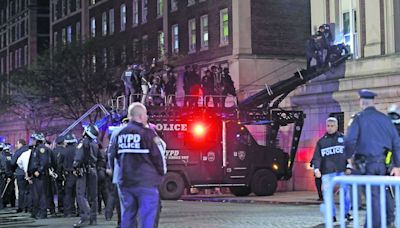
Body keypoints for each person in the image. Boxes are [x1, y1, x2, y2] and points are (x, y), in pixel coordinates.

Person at [345, 89, 400, 227]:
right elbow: (396, 143)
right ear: (372, 102)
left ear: (361, 102)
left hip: (365, 165)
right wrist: (397, 165)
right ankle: (387, 219)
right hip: (383, 164)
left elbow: (350, 141)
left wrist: (347, 159)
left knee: (373, 197)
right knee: (383, 191)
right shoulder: (385, 119)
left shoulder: (358, 118)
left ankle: (375, 225)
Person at [109, 102, 166, 228]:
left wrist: (117, 174)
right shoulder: (148, 134)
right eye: (145, 115)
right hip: (145, 182)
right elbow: (157, 157)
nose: (146, 117)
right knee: (147, 216)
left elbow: (113, 156)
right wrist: (161, 175)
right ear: (140, 116)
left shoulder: (119, 134)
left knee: (128, 215)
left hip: (125, 182)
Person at [312, 117, 353, 222]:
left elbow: (350, 154)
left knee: (345, 193)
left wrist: (349, 166)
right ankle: (331, 215)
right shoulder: (321, 142)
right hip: (327, 172)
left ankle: (346, 213)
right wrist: (316, 169)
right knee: (327, 194)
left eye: (332, 126)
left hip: (341, 171)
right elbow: (317, 157)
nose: (329, 128)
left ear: (336, 126)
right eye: (328, 126)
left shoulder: (343, 139)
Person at [73, 124, 103, 227]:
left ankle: (85, 217)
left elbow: (79, 157)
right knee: (93, 196)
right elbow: (101, 158)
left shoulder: (83, 142)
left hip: (83, 171)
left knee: (81, 194)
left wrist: (76, 166)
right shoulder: (95, 144)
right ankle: (93, 219)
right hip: (93, 170)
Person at [27, 132, 54, 219]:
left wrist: (39, 170)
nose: (32, 141)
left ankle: (43, 213)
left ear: (37, 140)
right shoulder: (35, 149)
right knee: (36, 195)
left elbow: (44, 161)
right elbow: (32, 162)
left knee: (42, 195)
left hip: (41, 175)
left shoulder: (42, 149)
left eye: (33, 139)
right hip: (35, 175)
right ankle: (36, 212)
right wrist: (30, 173)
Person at [60, 133, 78, 217]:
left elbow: (60, 165)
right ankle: (79, 211)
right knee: (79, 194)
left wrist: (60, 175)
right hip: (78, 174)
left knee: (68, 194)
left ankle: (68, 211)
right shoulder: (78, 150)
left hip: (68, 175)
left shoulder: (63, 151)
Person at [11, 139, 30, 213]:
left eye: (17, 144)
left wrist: (13, 170)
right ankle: (28, 206)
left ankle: (21, 207)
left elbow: (13, 162)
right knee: (28, 190)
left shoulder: (18, 152)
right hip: (29, 173)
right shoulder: (29, 150)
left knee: (21, 190)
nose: (16, 145)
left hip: (20, 173)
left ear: (21, 144)